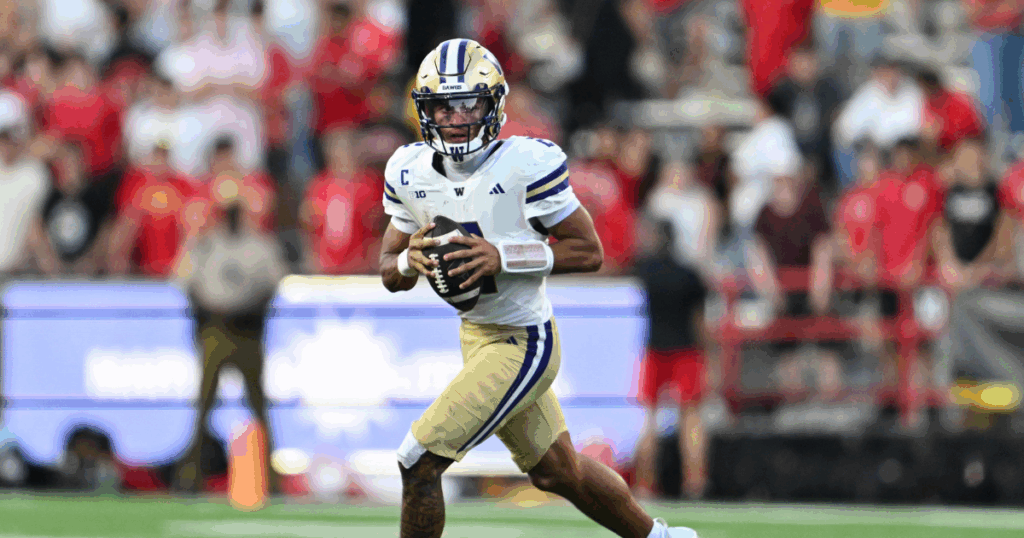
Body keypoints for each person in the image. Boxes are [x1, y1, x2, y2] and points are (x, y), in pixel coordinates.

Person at [378, 39, 699, 538]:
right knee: (557, 471)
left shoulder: (525, 163)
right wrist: (408, 258)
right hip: (476, 336)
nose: (458, 119)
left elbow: (589, 252)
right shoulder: (408, 171)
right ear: (425, 110)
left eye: (470, 104)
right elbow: (389, 272)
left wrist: (502, 256)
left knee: (418, 458)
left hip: (524, 338)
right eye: (445, 105)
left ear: (494, 106)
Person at [172, 177, 288, 493]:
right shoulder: (208, 243)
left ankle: (271, 480)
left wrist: (246, 308)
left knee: (258, 405)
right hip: (215, 329)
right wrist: (209, 311)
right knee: (204, 404)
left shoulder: (259, 245)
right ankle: (190, 476)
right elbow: (186, 281)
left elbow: (273, 286)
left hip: (247, 330)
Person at [632, 218, 710, 501]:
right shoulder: (689, 274)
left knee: (650, 420)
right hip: (687, 349)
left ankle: (645, 486)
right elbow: (700, 321)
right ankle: (695, 484)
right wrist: (708, 354)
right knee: (691, 418)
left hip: (655, 349)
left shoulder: (644, 273)